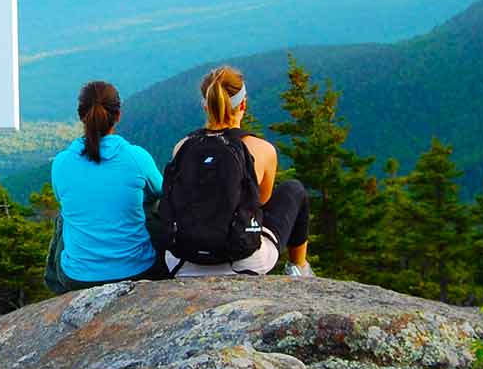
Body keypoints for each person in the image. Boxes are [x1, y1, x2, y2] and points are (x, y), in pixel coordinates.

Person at [163, 66, 314, 277]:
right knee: (294, 189)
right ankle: (299, 269)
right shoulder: (262, 150)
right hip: (242, 261)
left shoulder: (182, 147)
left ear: (206, 106)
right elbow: (261, 201)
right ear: (243, 103)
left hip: (183, 261)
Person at [44, 81, 167, 294]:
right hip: (138, 270)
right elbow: (163, 192)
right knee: (149, 203)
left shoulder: (62, 163)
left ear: (81, 116)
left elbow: (61, 199)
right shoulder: (137, 158)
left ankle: (56, 288)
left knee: (65, 216)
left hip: (77, 277)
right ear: (118, 115)